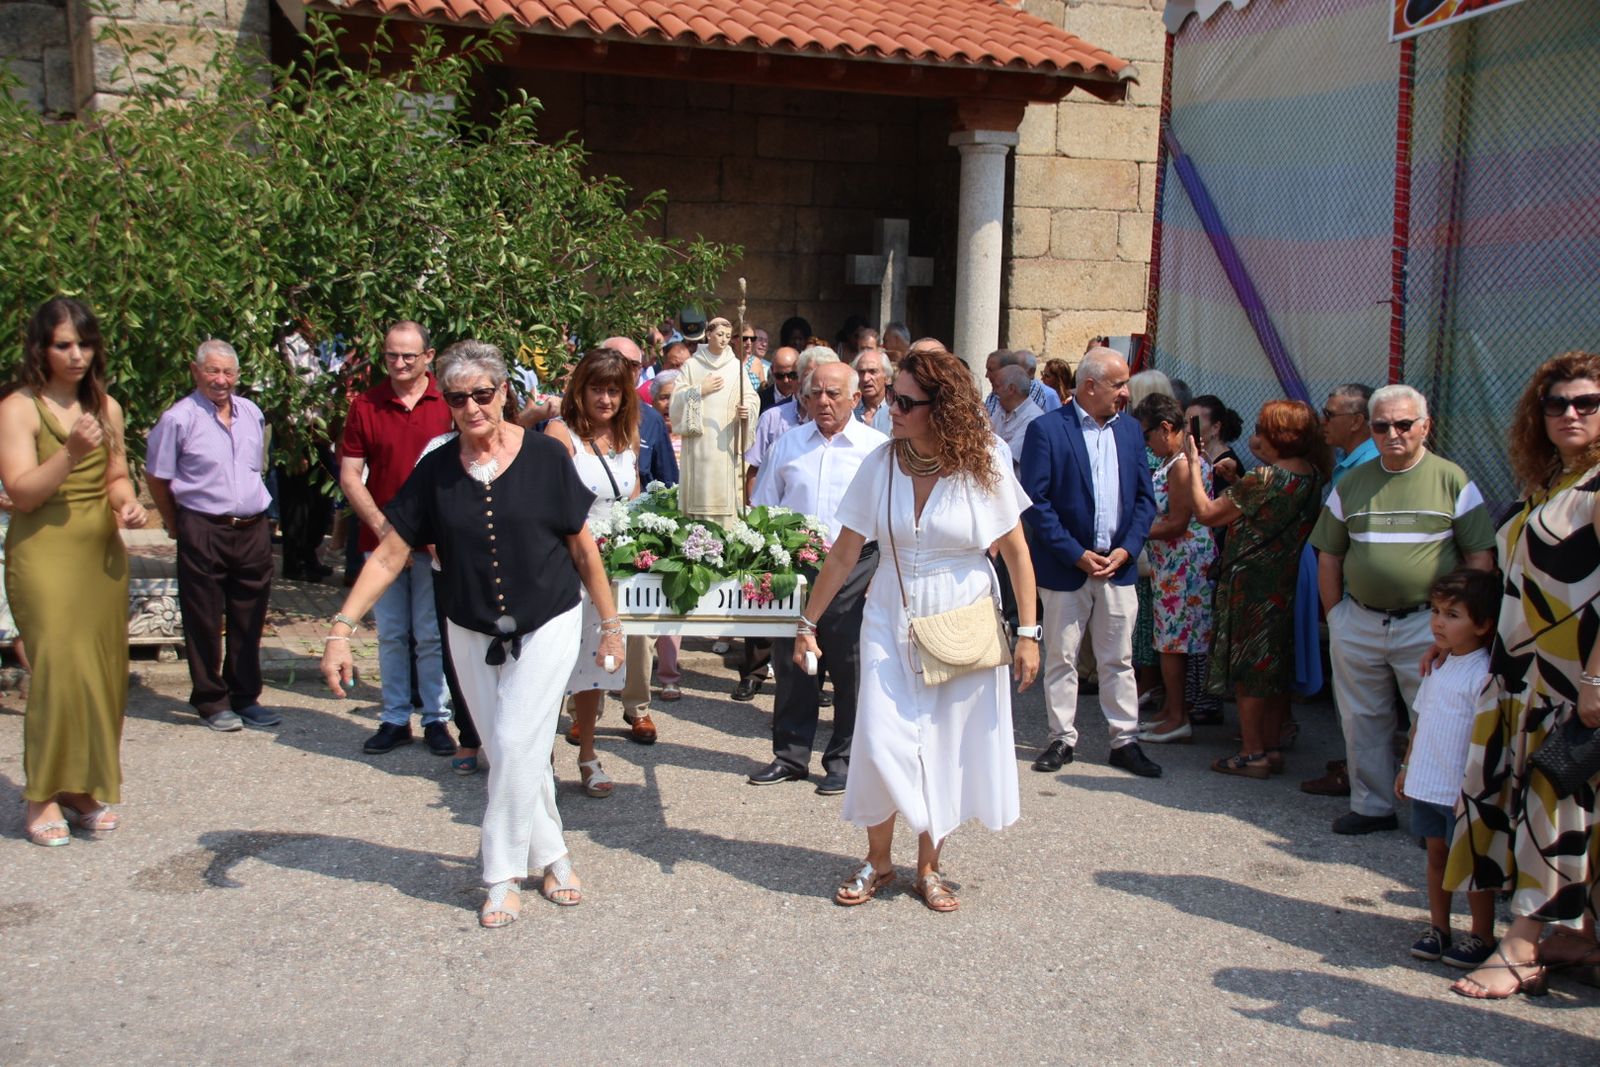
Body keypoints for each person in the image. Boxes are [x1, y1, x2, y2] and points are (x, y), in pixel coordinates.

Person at [322, 340, 622, 927]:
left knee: (510, 742)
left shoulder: (544, 456)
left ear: (504, 393)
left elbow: (582, 547)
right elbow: (388, 555)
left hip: (550, 621)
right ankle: (554, 855)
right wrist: (340, 628)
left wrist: (609, 626)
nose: (472, 408)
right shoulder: (435, 469)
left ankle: (501, 873)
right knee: (519, 751)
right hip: (469, 625)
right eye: (458, 399)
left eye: (483, 395)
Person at [794, 347, 1039, 911]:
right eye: (894, 397)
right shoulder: (880, 463)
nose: (892, 409)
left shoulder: (987, 461)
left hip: (962, 612)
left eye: (905, 401)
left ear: (943, 408)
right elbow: (843, 552)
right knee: (880, 740)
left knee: (944, 745)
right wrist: (807, 622)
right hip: (889, 611)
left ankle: (929, 867)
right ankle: (878, 862)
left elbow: (1018, 555)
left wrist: (1029, 634)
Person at [1444, 352, 1600, 998]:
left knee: (1554, 807)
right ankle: (1583, 936)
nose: (1569, 413)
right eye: (1556, 403)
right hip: (1522, 676)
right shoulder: (1555, 483)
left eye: (1587, 403)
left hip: (1574, 683)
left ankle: (1522, 945)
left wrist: (1596, 680)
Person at [1311, 385, 1496, 833]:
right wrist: (1336, 617)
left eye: (1404, 424)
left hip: (1428, 625)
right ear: (1370, 429)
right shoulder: (1351, 483)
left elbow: (1480, 560)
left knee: (1435, 720)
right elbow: (1329, 555)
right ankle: (1372, 807)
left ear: (1425, 426)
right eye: (1382, 425)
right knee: (1361, 719)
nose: (1393, 433)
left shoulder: (1452, 480)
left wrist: (1466, 629)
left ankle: (1437, 817)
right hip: (1360, 619)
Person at [1, 297, 147, 845]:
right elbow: (22, 492)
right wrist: (68, 451)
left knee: (101, 677)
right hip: (44, 553)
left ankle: (82, 787)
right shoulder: (18, 407)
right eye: (64, 344)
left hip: (101, 556)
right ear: (41, 348)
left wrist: (126, 503)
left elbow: (116, 478)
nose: (77, 354)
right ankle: (41, 796)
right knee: (60, 673)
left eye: (85, 344)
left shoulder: (105, 406)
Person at [1021, 347, 1162, 779]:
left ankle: (1125, 740)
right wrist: (1076, 554)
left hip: (1116, 568)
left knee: (1117, 659)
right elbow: (1036, 503)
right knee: (1062, 656)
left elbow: (1143, 499)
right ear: (1089, 386)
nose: (1125, 392)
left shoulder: (1131, 432)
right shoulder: (1047, 430)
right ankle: (1061, 738)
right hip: (1068, 568)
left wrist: (1127, 549)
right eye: (1118, 384)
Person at [748, 362, 887, 793]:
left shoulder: (877, 448)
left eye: (833, 394)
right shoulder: (788, 445)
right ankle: (790, 755)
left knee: (850, 667)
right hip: (798, 569)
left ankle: (843, 760)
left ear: (854, 397)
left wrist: (877, 576)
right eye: (815, 394)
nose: (823, 402)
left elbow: (886, 519)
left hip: (857, 567)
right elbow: (763, 508)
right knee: (793, 667)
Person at [1184, 401, 1330, 780]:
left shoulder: (1265, 479)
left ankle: (1253, 753)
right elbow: (1268, 513)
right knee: (1273, 665)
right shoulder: (1312, 474)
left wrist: (1193, 468)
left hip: (1249, 583)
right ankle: (1271, 743)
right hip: (1282, 579)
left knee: (1250, 670)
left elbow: (1206, 513)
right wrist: (1236, 481)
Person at [146, 340, 280, 732]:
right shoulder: (179, 419)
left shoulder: (252, 413)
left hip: (252, 527)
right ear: (195, 371)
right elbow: (157, 477)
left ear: (238, 375)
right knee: (203, 616)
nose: (221, 380)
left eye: (228, 372)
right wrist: (176, 524)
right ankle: (210, 699)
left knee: (249, 615)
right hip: (203, 525)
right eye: (212, 371)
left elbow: (255, 469)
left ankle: (245, 696)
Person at [339, 321, 456, 756]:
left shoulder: (448, 401)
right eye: (392, 355)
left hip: (435, 542)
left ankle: (436, 719)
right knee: (390, 633)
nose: (400, 363)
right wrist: (387, 529)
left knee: (429, 634)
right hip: (382, 538)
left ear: (429, 356)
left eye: (409, 355)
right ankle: (393, 719)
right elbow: (351, 475)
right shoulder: (366, 405)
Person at [546, 349, 644, 792]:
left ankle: (587, 756)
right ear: (579, 390)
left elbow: (634, 500)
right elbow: (547, 505)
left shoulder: (627, 438)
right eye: (597, 389)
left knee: (595, 666)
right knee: (550, 667)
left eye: (614, 391)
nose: (606, 399)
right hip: (564, 564)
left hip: (611, 570)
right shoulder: (559, 434)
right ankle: (540, 758)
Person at [1396, 568, 1499, 968]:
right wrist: (1406, 766)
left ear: (1484, 624)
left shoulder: (1483, 674)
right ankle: (1439, 927)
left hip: (1461, 787)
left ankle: (1482, 934)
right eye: (1436, 611)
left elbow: (1483, 737)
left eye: (1453, 614)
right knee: (1436, 855)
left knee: (1470, 862)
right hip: (1428, 780)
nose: (1438, 622)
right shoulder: (1436, 666)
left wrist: (1473, 786)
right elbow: (1420, 719)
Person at [1132, 394, 1216, 743]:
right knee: (1166, 641)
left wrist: (1134, 530)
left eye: (1148, 435)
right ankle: (1170, 711)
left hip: (1183, 564)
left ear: (1166, 428)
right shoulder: (1177, 459)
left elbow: (1178, 521)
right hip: (1172, 563)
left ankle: (1178, 715)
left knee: (1172, 643)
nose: (1146, 443)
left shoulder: (1182, 463)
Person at [670, 317, 758, 524]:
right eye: (719, 335)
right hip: (700, 442)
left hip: (725, 440)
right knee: (700, 489)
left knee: (725, 492)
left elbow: (751, 396)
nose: (724, 340)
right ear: (708, 334)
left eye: (728, 336)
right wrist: (700, 390)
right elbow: (676, 400)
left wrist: (747, 411)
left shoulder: (736, 366)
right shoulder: (692, 365)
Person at [1186, 395, 1245, 496]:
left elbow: (1228, 508)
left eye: (1194, 423)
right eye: (1185, 423)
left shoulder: (1224, 467)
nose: (1187, 429)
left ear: (1215, 427)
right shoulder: (1198, 457)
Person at [989, 365, 1042, 473]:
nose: (994, 391)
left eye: (997, 386)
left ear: (1011, 389)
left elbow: (1007, 458)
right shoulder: (1001, 410)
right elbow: (983, 439)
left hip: (1011, 486)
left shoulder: (1033, 418)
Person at [1323, 383, 1378, 479]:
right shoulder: (1347, 455)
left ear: (1356, 422)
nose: (1323, 421)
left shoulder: (1369, 467)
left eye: (1329, 415)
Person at [853, 348, 892, 433]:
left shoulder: (897, 409)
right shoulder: (850, 410)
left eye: (873, 371)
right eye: (861, 372)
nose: (866, 378)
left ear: (886, 377)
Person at [755, 345, 800, 413]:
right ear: (772, 370)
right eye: (780, 376)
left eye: (791, 375)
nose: (786, 380)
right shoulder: (759, 400)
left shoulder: (807, 400)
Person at [738, 324, 766, 391]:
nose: (749, 342)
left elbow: (763, 390)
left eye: (752, 339)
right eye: (744, 338)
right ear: (733, 339)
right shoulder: (727, 361)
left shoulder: (756, 362)